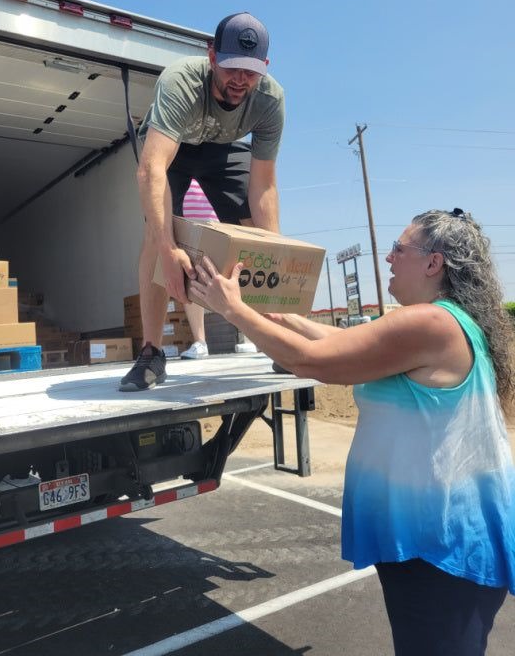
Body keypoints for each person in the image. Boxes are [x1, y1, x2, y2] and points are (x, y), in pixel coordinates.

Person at [191, 208, 515, 656]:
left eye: (399, 248)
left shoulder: (430, 323)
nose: (388, 258)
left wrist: (233, 310)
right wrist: (260, 307)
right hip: (435, 548)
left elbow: (312, 361)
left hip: (440, 552)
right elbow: (328, 340)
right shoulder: (447, 322)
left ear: (433, 263)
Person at [120, 12, 284, 391]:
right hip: (174, 150)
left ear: (265, 68)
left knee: (259, 235)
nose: (240, 80)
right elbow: (151, 170)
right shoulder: (181, 82)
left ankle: (276, 335)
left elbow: (264, 186)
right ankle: (151, 353)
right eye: (231, 69)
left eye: (251, 71)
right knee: (156, 236)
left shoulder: (271, 100)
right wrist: (168, 247)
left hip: (223, 151)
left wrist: (272, 254)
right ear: (212, 56)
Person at [179, 179, 219, 360]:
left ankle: (252, 338)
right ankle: (200, 342)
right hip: (186, 222)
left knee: (232, 278)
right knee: (191, 279)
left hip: (216, 222)